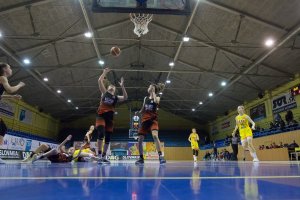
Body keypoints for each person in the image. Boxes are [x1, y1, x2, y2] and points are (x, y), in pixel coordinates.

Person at [96, 68, 128, 164]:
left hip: (110, 119)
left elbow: (126, 97)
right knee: (101, 133)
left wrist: (122, 86)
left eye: (113, 87)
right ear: (108, 88)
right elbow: (99, 81)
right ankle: (99, 155)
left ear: (115, 90)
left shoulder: (116, 97)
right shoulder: (104, 93)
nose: (112, 87)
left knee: (108, 138)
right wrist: (104, 72)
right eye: (110, 86)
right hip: (101, 116)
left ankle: (104, 156)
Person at [0, 63, 25, 164]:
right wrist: (19, 85)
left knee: (3, 129)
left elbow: (0, 96)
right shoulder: (2, 78)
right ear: (5, 69)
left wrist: (12, 97)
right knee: (2, 129)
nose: (11, 69)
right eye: (9, 67)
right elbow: (10, 89)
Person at [135, 83, 166, 165]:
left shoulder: (157, 97)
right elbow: (143, 108)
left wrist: (153, 93)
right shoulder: (145, 98)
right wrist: (139, 112)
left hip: (153, 120)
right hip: (145, 121)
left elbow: (156, 101)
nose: (149, 88)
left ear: (153, 89)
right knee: (139, 140)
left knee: (155, 136)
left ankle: (161, 156)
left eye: (150, 87)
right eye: (149, 87)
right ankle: (141, 158)